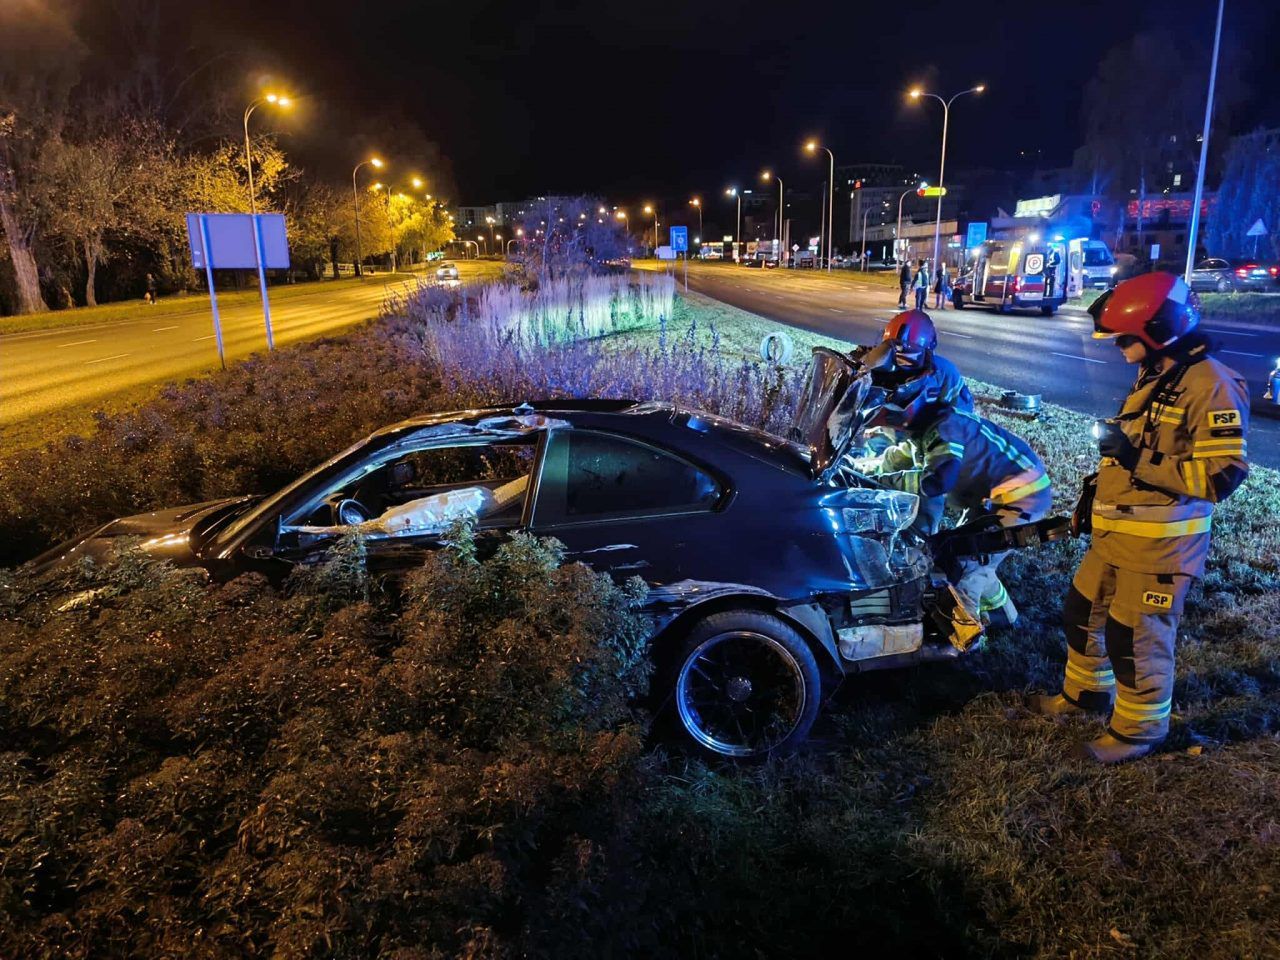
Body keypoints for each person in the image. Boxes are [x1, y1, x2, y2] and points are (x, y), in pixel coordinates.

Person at [1030, 272, 1249, 764]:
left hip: (1160, 546)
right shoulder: (1159, 372)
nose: (1115, 345)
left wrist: (1134, 458)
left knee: (1136, 638)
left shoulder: (1211, 384)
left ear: (1161, 330)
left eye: (1124, 337)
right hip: (1117, 535)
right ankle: (1084, 695)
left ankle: (1138, 733)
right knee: (1082, 613)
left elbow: (1221, 477)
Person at [869, 375, 1052, 625]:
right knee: (975, 554)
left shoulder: (944, 430)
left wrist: (887, 481)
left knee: (966, 565)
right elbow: (899, 458)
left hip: (1022, 500)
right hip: (1001, 496)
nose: (884, 431)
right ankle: (1005, 617)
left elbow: (936, 482)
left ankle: (967, 641)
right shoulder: (929, 427)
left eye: (885, 425)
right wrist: (866, 469)